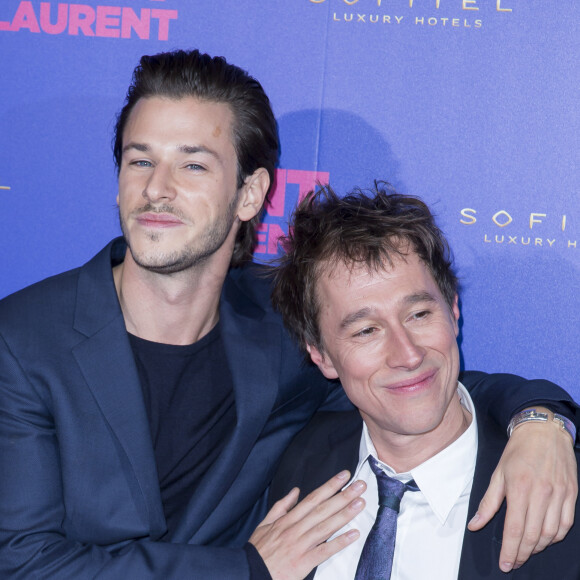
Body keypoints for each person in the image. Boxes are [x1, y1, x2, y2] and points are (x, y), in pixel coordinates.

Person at [0, 50, 576, 579]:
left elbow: (403, 371)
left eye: (193, 166)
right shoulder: (23, 342)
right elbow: (22, 560)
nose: (158, 189)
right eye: (139, 161)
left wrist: (541, 419)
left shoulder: (278, 323)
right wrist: (249, 570)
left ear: (250, 196)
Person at [268, 183, 580, 579]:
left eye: (418, 315)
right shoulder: (295, 463)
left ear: (453, 310)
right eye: (366, 331)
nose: (408, 354)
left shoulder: (556, 489)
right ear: (321, 355)